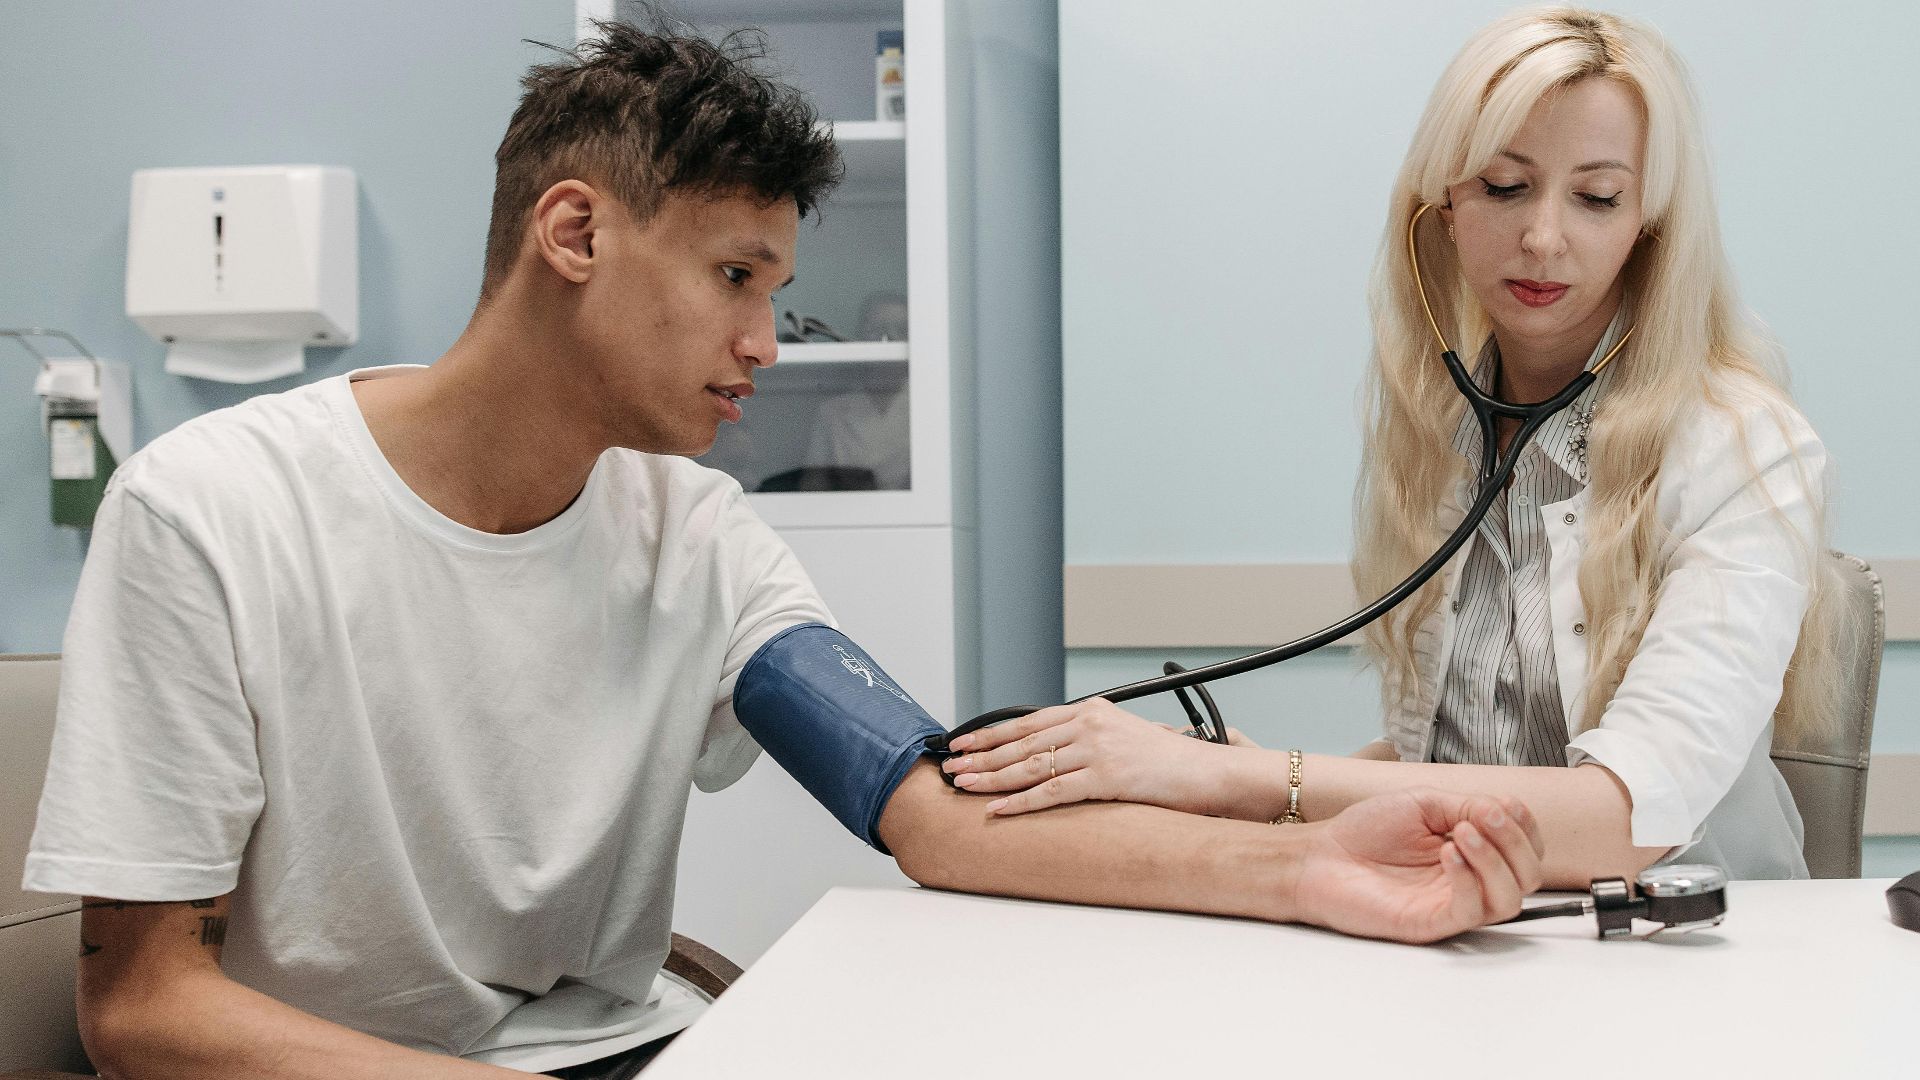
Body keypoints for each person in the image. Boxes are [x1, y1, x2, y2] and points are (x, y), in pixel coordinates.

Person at [20, 16, 1546, 1080]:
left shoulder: (696, 538)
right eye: (735, 274)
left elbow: (938, 813)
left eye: (780, 288)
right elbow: (146, 1011)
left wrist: (1308, 868)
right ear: (574, 234)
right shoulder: (209, 515)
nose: (765, 340)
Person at [939, 6, 1842, 887]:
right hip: (1479, 928)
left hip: (1698, 954)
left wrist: (1241, 780)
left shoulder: (1745, 450)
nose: (1542, 236)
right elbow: (1454, 756)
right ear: (1443, 207)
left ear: (1648, 225)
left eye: (1597, 197)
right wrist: (1260, 790)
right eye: (1503, 184)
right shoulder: (1441, 435)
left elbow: (1623, 816)